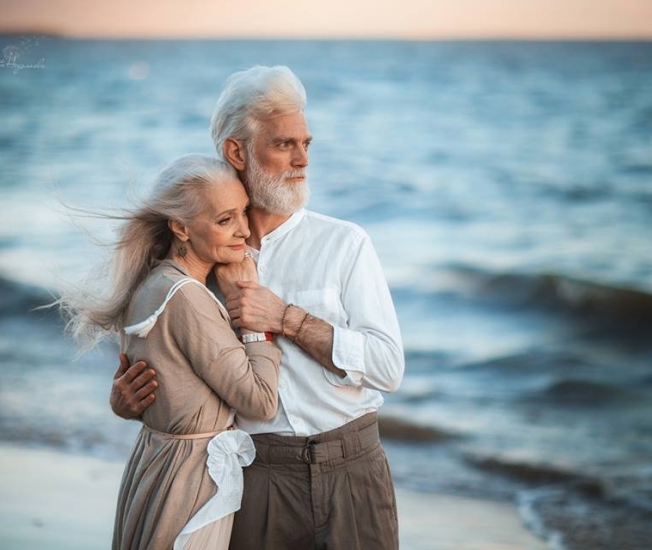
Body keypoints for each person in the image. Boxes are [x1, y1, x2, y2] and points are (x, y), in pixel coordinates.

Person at [112, 66, 406, 549]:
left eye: (306, 144)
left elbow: (388, 368)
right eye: (284, 144)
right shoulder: (199, 259)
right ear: (236, 151)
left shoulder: (345, 244)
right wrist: (126, 402)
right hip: (254, 477)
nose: (302, 159)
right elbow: (160, 359)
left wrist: (288, 319)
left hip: (353, 471)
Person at [62, 154, 283, 550]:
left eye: (244, 212)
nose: (244, 231)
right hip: (189, 481)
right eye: (224, 219)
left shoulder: (150, 283)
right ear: (180, 227)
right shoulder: (187, 299)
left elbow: (162, 390)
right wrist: (253, 317)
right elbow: (261, 401)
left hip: (155, 465)